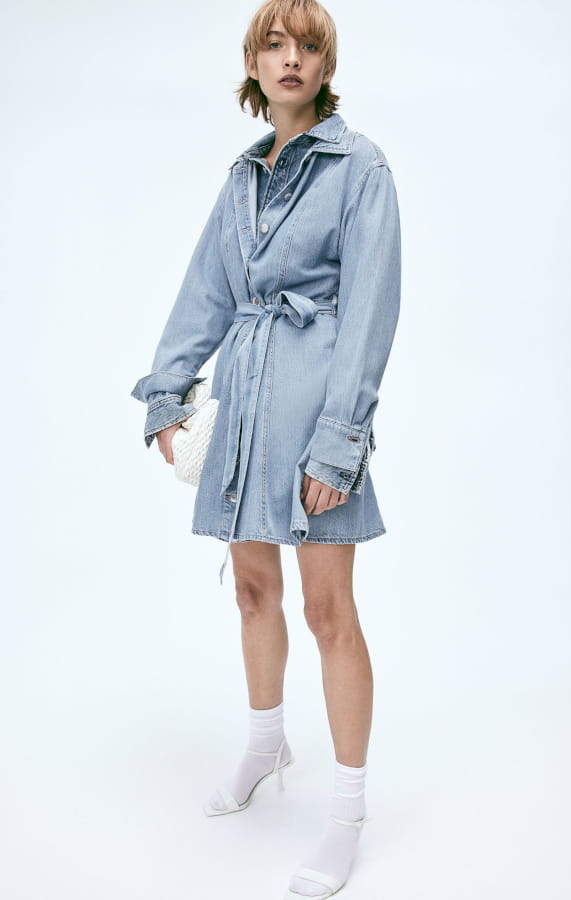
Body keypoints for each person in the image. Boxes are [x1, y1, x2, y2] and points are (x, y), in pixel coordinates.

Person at [130, 0, 401, 896]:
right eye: (274, 45)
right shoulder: (243, 177)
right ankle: (264, 744)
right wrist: (167, 395)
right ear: (253, 64)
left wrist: (339, 445)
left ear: (326, 67)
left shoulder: (361, 168)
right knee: (252, 591)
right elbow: (205, 291)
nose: (291, 58)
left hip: (316, 414)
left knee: (328, 612)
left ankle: (348, 815)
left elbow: (370, 313)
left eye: (308, 46)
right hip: (243, 407)